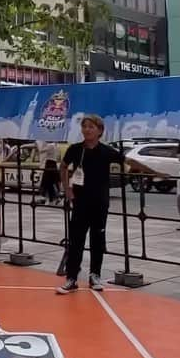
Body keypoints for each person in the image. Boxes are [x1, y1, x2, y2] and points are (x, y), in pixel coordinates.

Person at [57, 114, 133, 294]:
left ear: (99, 131)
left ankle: (95, 275)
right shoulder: (75, 149)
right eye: (84, 126)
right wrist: (67, 189)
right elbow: (63, 166)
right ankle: (72, 277)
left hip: (99, 202)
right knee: (76, 240)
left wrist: (152, 170)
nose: (87, 130)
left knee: (98, 239)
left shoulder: (107, 151)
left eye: (91, 127)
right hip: (80, 201)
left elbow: (128, 161)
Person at [38, 141, 61, 206]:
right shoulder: (57, 145)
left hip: (49, 163)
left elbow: (41, 150)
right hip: (54, 164)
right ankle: (54, 198)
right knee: (52, 182)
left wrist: (41, 144)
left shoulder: (50, 145)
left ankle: (50, 199)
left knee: (47, 182)